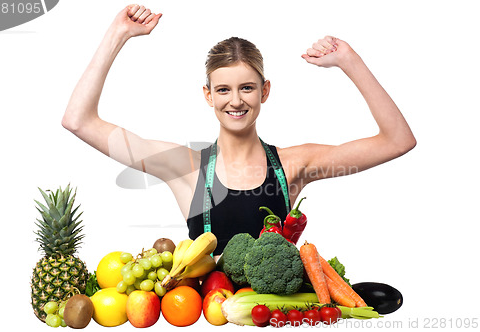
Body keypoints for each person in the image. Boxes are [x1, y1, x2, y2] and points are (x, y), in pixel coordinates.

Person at [62, 5, 416, 255]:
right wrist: (118, 33)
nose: (235, 101)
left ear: (265, 91)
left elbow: (397, 141)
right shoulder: (184, 168)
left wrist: (349, 59)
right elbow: (78, 121)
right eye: (223, 89)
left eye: (247, 87)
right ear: (208, 96)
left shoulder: (294, 165)